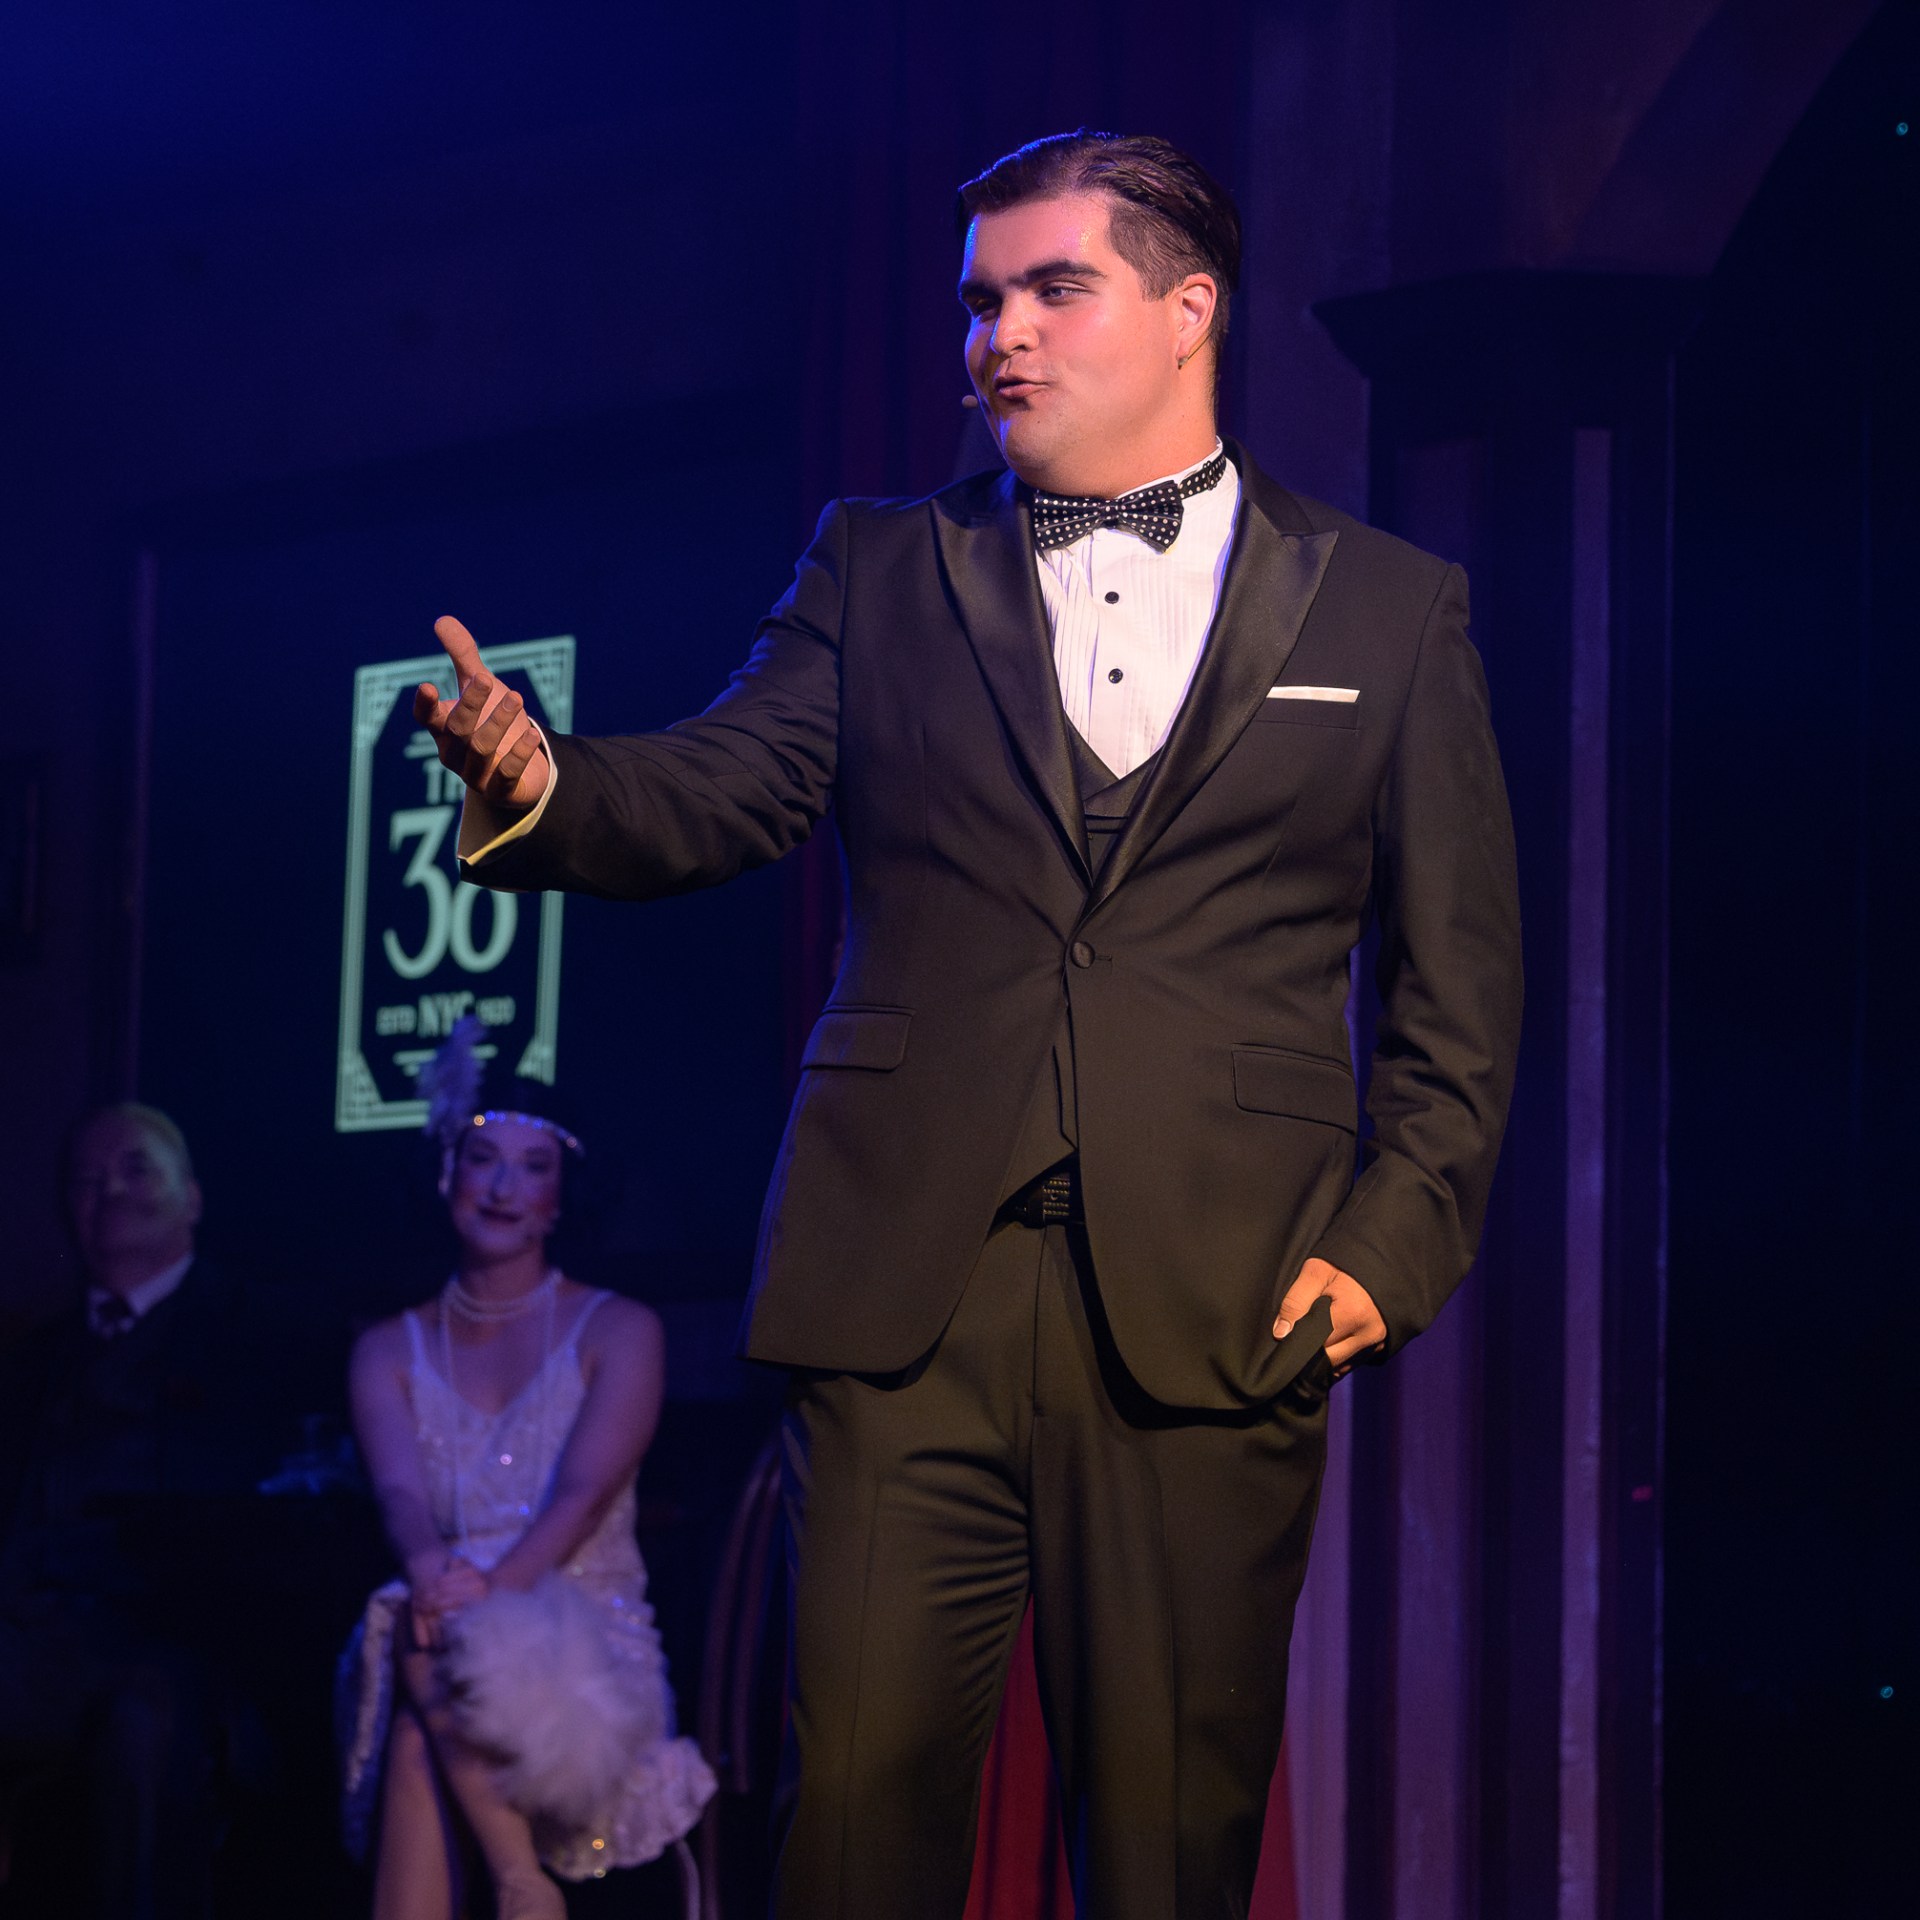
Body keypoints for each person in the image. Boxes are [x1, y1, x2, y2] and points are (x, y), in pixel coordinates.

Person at [417, 130, 1522, 1918]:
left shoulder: (1390, 612)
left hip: (1220, 1302)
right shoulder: (879, 564)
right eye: (979, 300)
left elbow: (1460, 992)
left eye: (1051, 288)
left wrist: (1390, 1249)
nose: (997, 333)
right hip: (898, 1289)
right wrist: (552, 782)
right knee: (850, 1826)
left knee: (1168, 1846)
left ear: (1188, 311)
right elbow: (722, 785)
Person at [338, 1024, 713, 1920]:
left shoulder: (621, 1331)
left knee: (433, 1661)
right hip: (445, 1623)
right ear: (448, 1175)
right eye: (483, 1160)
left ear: (559, 1193)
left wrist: (490, 1592)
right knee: (417, 1624)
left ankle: (518, 1880)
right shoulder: (387, 1347)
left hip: (588, 1630)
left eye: (531, 1166)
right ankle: (521, 1884)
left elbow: (584, 1497)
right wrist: (433, 1571)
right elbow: (397, 1492)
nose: (503, 1188)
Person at [0, 1103, 292, 1919]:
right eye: (88, 1181)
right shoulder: (27, 1362)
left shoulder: (263, 1336)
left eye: (135, 1170)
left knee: (148, 1724)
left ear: (191, 1196)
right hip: (24, 1636)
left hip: (170, 1641)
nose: (110, 1193)